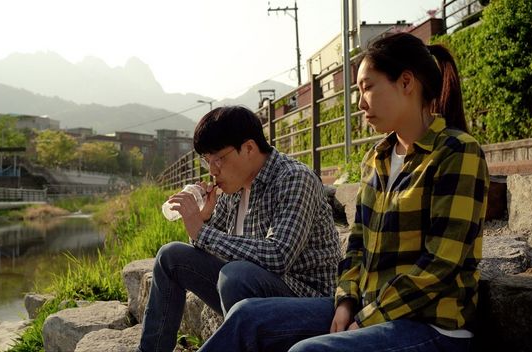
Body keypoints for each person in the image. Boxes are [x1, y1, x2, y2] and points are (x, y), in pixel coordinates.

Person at [198, 32, 489, 352]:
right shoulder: (375, 160)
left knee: (307, 351)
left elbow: (440, 266)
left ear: (406, 82)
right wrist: (345, 303)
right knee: (246, 316)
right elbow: (356, 249)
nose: (360, 102)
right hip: (367, 311)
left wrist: (366, 318)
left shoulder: (456, 153)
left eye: (367, 87)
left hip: (433, 326)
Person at [138, 105, 342, 352]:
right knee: (171, 257)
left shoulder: (294, 178)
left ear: (248, 148)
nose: (212, 170)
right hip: (254, 296)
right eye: (206, 161)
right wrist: (205, 220)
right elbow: (214, 248)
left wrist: (202, 232)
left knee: (236, 275)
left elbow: (278, 256)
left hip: (307, 303)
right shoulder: (232, 189)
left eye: (218, 159)